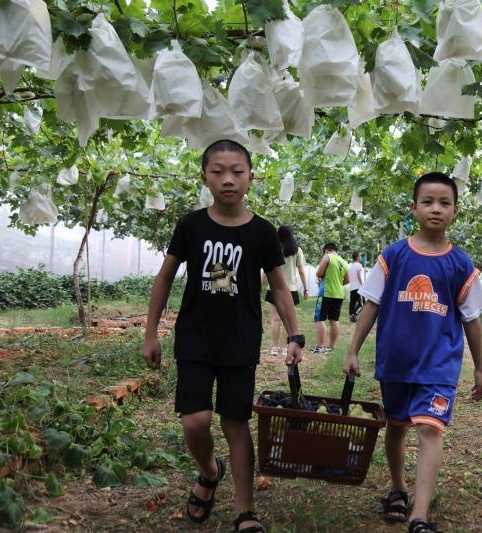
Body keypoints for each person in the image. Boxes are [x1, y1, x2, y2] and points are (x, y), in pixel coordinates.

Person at [141, 139, 305, 533]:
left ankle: (245, 511)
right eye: (218, 171)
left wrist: (296, 334)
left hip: (239, 341)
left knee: (235, 422)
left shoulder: (263, 232)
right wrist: (150, 332)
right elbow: (164, 279)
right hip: (195, 338)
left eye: (237, 171)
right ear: (205, 177)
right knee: (195, 423)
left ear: (250, 177)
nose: (228, 179)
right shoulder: (192, 225)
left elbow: (280, 288)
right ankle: (209, 471)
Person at [343, 172, 482, 533]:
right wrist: (353, 350)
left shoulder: (461, 264)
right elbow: (371, 305)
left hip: (439, 365)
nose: (436, 209)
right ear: (414, 208)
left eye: (444, 202)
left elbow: (471, 320)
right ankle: (398, 488)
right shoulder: (393, 256)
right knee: (396, 427)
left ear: (455, 210)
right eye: (428, 202)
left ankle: (419, 516)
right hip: (396, 362)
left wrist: (481, 368)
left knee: (430, 430)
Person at [263, 226, 308, 356]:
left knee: (275, 319)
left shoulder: (274, 249)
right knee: (287, 320)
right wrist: (305, 288)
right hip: (291, 289)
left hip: (274, 288)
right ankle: (286, 348)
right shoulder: (297, 250)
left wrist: (259, 284)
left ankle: (275, 348)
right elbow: (301, 271)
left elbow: (268, 270)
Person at [311, 242, 349, 353]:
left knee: (319, 318)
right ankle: (330, 347)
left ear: (326, 250)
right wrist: (337, 282)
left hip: (326, 293)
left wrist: (322, 278)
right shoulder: (344, 262)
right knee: (334, 320)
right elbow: (347, 280)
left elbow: (318, 273)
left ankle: (320, 347)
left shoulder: (327, 257)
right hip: (339, 294)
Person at [348, 251, 364, 322]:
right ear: (357, 257)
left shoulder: (350, 266)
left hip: (352, 287)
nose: (360, 257)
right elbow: (358, 275)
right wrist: (362, 284)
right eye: (360, 256)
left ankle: (351, 315)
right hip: (358, 287)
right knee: (362, 304)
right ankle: (354, 315)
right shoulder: (359, 265)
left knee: (352, 303)